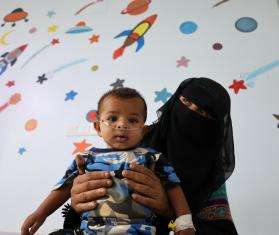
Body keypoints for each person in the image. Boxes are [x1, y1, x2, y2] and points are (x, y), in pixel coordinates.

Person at [68, 77, 238, 235]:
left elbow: (221, 230)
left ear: (213, 127)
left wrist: (168, 211)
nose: (191, 112)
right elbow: (88, 201)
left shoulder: (208, 174)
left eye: (203, 112)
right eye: (186, 102)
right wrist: (79, 201)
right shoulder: (134, 140)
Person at [21, 88, 195, 235]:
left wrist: (184, 224)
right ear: (98, 127)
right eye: (112, 118)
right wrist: (41, 212)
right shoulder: (86, 158)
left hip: (139, 229)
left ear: (143, 130)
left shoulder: (152, 157)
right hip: (90, 230)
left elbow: (173, 187)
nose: (122, 125)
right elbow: (65, 186)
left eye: (132, 120)